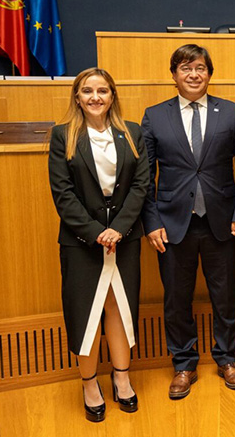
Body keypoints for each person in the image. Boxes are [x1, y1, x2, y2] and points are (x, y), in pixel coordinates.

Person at [141, 44, 235, 400]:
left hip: (222, 221)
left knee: (225, 296)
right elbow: (145, 176)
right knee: (177, 299)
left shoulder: (231, 113)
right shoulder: (154, 116)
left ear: (210, 73)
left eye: (201, 68)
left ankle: (226, 357)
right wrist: (151, 221)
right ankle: (184, 363)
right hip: (173, 224)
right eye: (186, 68)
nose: (194, 74)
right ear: (174, 74)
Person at [48, 68, 149, 422]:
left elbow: (141, 186)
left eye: (102, 91)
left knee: (119, 309)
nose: (95, 97)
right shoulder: (64, 136)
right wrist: (96, 232)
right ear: (77, 96)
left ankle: (121, 378)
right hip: (82, 243)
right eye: (87, 91)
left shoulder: (132, 133)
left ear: (112, 96)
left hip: (126, 240)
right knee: (86, 314)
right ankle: (89, 383)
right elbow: (63, 194)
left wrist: (119, 229)